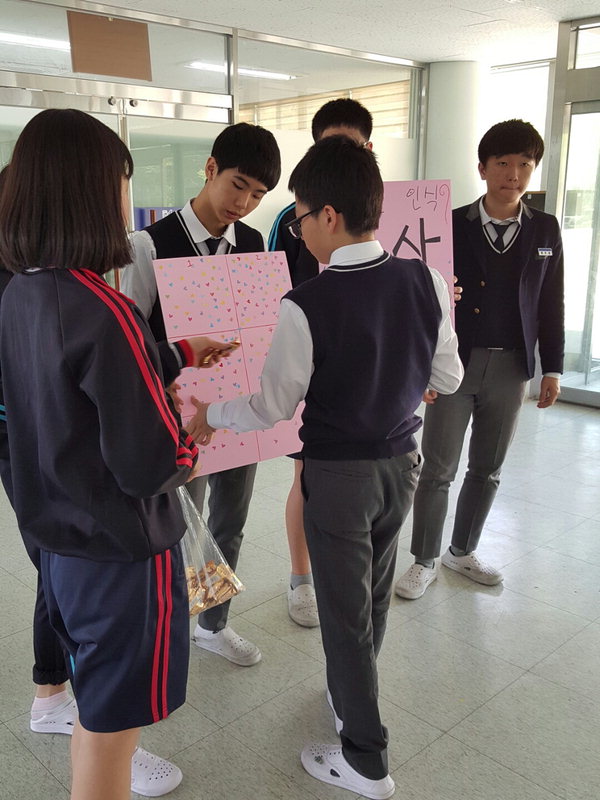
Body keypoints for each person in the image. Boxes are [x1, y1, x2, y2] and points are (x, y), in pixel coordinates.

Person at [191, 136, 463, 799]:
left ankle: (365, 760)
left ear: (331, 215)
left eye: (302, 217)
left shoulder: (307, 302)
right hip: (401, 465)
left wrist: (210, 414)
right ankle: (349, 700)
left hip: (339, 477)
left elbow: (271, 406)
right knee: (371, 596)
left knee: (344, 615)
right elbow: (448, 377)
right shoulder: (426, 281)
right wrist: (400, 376)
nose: (300, 230)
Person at [0, 108, 201, 800]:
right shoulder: (105, 309)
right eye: (122, 181)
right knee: (114, 727)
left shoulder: (23, 293)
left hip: (59, 542)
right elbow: (151, 464)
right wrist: (190, 434)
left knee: (97, 708)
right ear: (93, 191)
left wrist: (173, 357)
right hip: (121, 554)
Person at [120, 122, 281, 667]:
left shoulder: (253, 244)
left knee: (230, 520)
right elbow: (133, 338)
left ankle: (213, 623)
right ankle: (167, 627)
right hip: (179, 415)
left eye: (258, 194)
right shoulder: (149, 244)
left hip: (236, 411)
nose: (244, 203)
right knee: (176, 526)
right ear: (210, 168)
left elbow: (260, 331)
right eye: (238, 185)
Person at [395, 119, 565, 601]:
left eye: (525, 164)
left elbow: (552, 301)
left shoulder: (545, 228)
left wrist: (552, 368)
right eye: (503, 163)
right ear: (483, 168)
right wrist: (420, 368)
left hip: (512, 367)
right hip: (455, 363)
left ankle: (462, 550)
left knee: (488, 467)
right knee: (437, 468)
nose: (514, 174)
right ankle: (424, 559)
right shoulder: (449, 224)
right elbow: (419, 298)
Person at [267, 98, 373, 628]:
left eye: (349, 145)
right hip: (311, 365)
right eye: (328, 145)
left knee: (365, 482)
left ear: (368, 148)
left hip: (376, 375)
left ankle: (354, 579)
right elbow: (269, 287)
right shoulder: (292, 218)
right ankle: (302, 577)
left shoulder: (380, 208)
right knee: (307, 473)